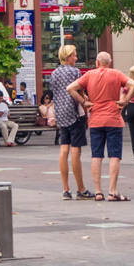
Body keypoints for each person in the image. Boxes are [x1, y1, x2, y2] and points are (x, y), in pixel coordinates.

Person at [67, 50, 134, 202]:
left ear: (97, 63)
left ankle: (98, 192)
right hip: (114, 118)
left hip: (96, 119)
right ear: (109, 63)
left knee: (96, 155)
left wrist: (83, 101)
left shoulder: (89, 75)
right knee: (114, 156)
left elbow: (70, 88)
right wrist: (125, 100)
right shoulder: (116, 73)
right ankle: (112, 191)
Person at [49, 44, 93, 201]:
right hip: (75, 114)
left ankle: (66, 189)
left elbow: (54, 93)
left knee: (64, 150)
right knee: (76, 151)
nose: (76, 58)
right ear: (67, 57)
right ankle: (81, 189)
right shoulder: (75, 72)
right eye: (74, 55)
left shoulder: (54, 73)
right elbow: (80, 92)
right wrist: (85, 105)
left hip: (61, 114)